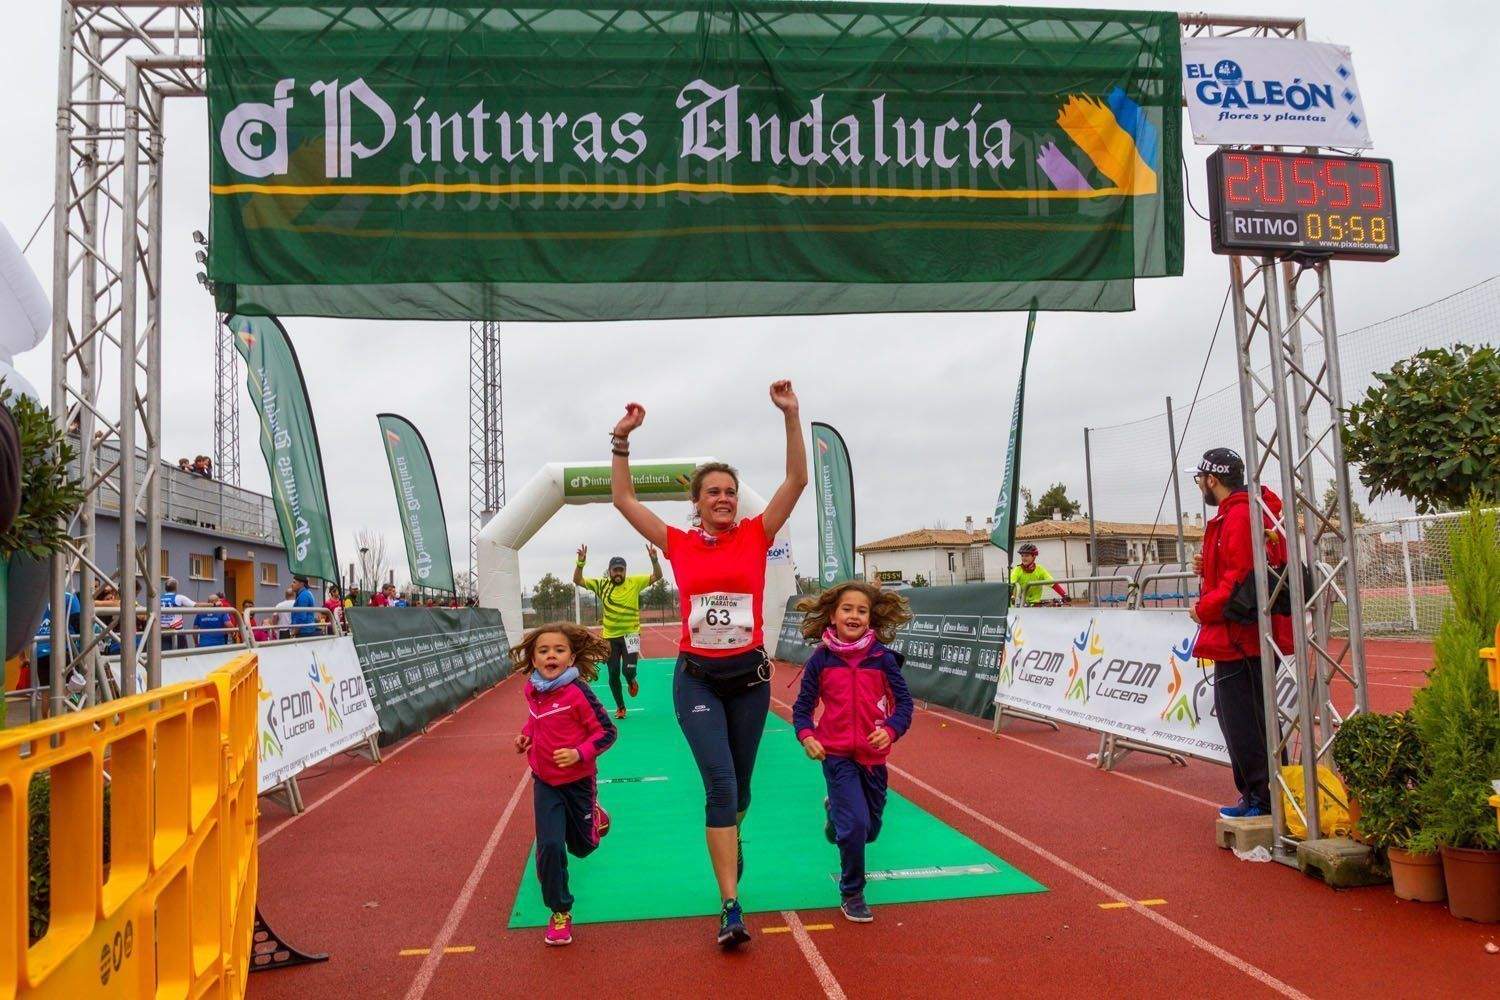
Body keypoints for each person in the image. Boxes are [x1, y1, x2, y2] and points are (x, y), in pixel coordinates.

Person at [609, 379, 807, 948]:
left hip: (748, 682)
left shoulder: (755, 533)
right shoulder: (679, 543)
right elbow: (624, 500)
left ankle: (731, 837)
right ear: (696, 502)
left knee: (740, 792)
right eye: (712, 492)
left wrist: (791, 416)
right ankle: (730, 906)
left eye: (729, 490)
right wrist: (621, 442)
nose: (722, 498)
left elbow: (796, 480)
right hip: (697, 680)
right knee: (719, 785)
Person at [792, 581, 914, 924]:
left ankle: (836, 815)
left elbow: (904, 705)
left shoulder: (883, 660)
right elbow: (802, 710)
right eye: (847, 609)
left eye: (862, 610)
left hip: (873, 760)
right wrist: (807, 737)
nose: (854, 615)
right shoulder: (820, 661)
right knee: (857, 826)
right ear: (833, 615)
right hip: (836, 756)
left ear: (870, 618)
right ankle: (852, 892)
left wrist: (890, 730)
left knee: (870, 829)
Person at [1187, 448, 1293, 820]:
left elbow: (1241, 582)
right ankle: (1263, 795)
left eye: (1200, 478)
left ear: (1212, 480)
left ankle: (1262, 799)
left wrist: (1203, 609)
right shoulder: (1238, 514)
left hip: (1239, 639)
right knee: (1249, 718)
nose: (1200, 484)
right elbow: (1236, 570)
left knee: (1245, 722)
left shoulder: (1238, 517)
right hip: (1240, 637)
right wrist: (1206, 565)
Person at [511, 622, 616, 947]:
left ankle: (593, 818)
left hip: (579, 783)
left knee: (582, 848)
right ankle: (559, 911)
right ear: (534, 658)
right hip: (545, 781)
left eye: (558, 650)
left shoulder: (578, 692)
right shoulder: (533, 689)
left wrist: (579, 753)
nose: (551, 655)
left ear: (571, 658)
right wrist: (526, 735)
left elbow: (607, 733)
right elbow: (535, 718)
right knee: (551, 847)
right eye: (543, 651)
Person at [573, 543, 663, 719]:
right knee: (613, 673)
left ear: (625, 571)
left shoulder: (635, 582)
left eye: (621, 570)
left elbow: (658, 575)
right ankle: (620, 707)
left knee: (628, 670)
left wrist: (654, 560)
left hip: (631, 635)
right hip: (610, 638)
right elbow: (577, 580)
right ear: (610, 571)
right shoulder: (602, 585)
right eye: (615, 570)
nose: (618, 573)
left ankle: (631, 680)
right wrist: (580, 563)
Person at [1009, 542, 1069, 606]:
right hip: (1018, 605)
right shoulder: (1017, 570)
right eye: (1022, 555)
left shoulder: (1040, 570)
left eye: (1027, 555)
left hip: (1034, 604)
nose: (1023, 558)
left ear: (1034, 556)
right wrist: (1012, 596)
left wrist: (1064, 595)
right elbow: (1009, 586)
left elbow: (1053, 584)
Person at [160, 577, 196, 650]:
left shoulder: (159, 598)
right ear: (176, 588)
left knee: (164, 655)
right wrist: (213, 605)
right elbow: (195, 605)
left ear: (165, 588)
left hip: (162, 632)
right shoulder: (179, 597)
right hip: (177, 631)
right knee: (181, 655)